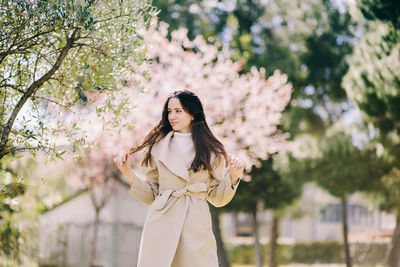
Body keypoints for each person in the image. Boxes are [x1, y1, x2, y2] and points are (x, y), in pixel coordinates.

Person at [113, 90, 244, 267]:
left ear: (192, 114)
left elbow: (217, 198)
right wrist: (128, 173)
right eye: (169, 111)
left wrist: (233, 176)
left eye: (178, 111)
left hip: (195, 223)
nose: (172, 116)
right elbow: (152, 195)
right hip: (162, 221)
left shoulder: (211, 149)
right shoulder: (158, 147)